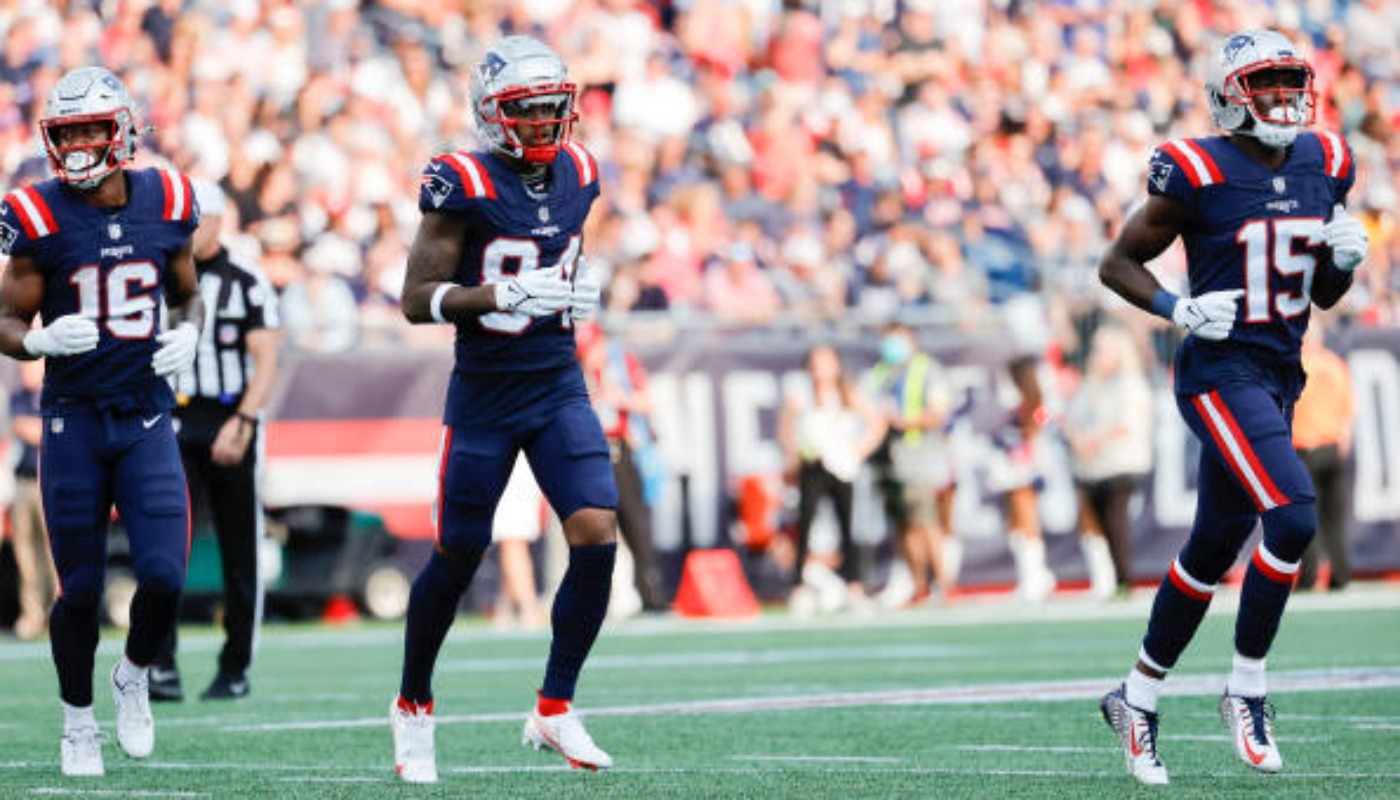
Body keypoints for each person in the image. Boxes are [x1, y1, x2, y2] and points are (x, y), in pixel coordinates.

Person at [1096, 31, 1368, 785]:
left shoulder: (1328, 162)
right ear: (1227, 95)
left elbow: (1320, 294)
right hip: (1218, 370)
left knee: (1215, 546)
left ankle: (1138, 695)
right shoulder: (1196, 169)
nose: (1285, 99)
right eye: (1266, 85)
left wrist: (1340, 263)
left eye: (1291, 84)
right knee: (1293, 516)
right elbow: (1116, 263)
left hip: (1281, 372)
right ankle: (1247, 688)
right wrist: (1177, 308)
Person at [390, 36, 616, 782]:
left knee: (596, 530)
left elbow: (566, 256)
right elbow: (415, 300)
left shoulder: (580, 171)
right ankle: (414, 705)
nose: (549, 121)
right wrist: (499, 296)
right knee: (459, 553)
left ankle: (555, 708)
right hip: (486, 394)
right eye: (530, 110)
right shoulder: (462, 180)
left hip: (556, 382)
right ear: (493, 116)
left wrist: (580, 288)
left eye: (556, 106)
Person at [0, 66, 204, 777]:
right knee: (80, 587)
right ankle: (78, 720)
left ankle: (134, 672)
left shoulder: (170, 198)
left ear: (123, 132)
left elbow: (187, 294)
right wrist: (35, 341)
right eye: (68, 133)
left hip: (145, 414)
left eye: (92, 128)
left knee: (164, 577)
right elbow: (6, 315)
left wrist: (192, 332)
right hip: (73, 421)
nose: (80, 143)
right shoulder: (37, 213)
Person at [148, 180, 281, 703]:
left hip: (228, 417)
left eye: (196, 220)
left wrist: (244, 419)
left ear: (221, 221)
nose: (186, 231)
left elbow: (267, 357)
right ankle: (159, 663)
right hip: (169, 419)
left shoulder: (246, 279)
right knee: (162, 543)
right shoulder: (156, 275)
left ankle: (235, 666)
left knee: (239, 547)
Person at [777, 344, 886, 613]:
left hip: (842, 466)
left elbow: (876, 422)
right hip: (813, 466)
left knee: (847, 526)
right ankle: (799, 587)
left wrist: (858, 450)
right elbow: (785, 431)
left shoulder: (848, 393)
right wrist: (796, 454)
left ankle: (853, 585)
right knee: (805, 526)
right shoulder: (801, 395)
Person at [864, 321, 961, 607]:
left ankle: (944, 583)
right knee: (905, 525)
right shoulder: (881, 373)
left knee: (926, 521)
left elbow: (941, 414)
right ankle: (918, 584)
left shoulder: (927, 370)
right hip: (890, 459)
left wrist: (905, 421)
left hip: (921, 457)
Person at [576, 321, 668, 613]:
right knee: (595, 528)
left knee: (635, 523)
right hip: (588, 455)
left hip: (620, 451)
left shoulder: (620, 364)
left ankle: (650, 593)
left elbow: (647, 401)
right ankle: (599, 598)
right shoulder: (574, 373)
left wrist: (619, 399)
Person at [1064, 324, 1154, 600]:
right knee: (1098, 524)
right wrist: (1078, 439)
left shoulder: (1130, 383)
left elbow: (1128, 424)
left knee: (1116, 523)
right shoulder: (1091, 384)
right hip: (1092, 466)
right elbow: (1073, 419)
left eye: (1101, 350)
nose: (1095, 355)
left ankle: (1124, 579)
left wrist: (1093, 441)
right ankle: (1109, 578)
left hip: (1120, 464)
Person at [987, 355, 1057, 602]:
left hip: (1026, 469)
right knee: (1015, 523)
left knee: (1027, 521)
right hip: (1010, 469)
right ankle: (1029, 576)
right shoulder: (1017, 407)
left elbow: (1036, 435)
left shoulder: (1036, 406)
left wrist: (1017, 441)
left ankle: (1037, 577)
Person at [1291, 322, 1354, 591]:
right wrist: (1342, 441)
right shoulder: (1334, 365)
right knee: (1334, 518)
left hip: (1306, 447)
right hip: (1333, 446)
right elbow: (1349, 410)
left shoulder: (1296, 367)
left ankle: (1309, 576)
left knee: (1307, 518)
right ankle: (1340, 574)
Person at [8, 359, 57, 641]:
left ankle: (57, 614)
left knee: (55, 552)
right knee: (25, 555)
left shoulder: (55, 392)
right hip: (24, 481)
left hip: (49, 480)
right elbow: (20, 427)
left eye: (30, 365)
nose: (25, 370)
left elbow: (49, 432)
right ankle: (31, 615)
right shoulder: (19, 396)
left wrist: (38, 430)